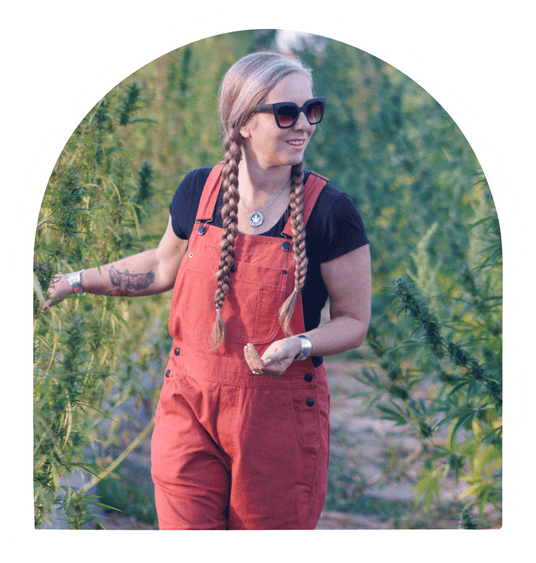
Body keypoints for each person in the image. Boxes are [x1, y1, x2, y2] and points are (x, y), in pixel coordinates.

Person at [44, 50, 372, 530]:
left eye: (311, 109)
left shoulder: (330, 212)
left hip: (276, 418)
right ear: (242, 122)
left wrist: (299, 343)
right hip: (188, 405)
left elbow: (354, 322)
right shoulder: (200, 191)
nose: (304, 124)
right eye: (286, 112)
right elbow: (160, 267)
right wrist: (74, 281)